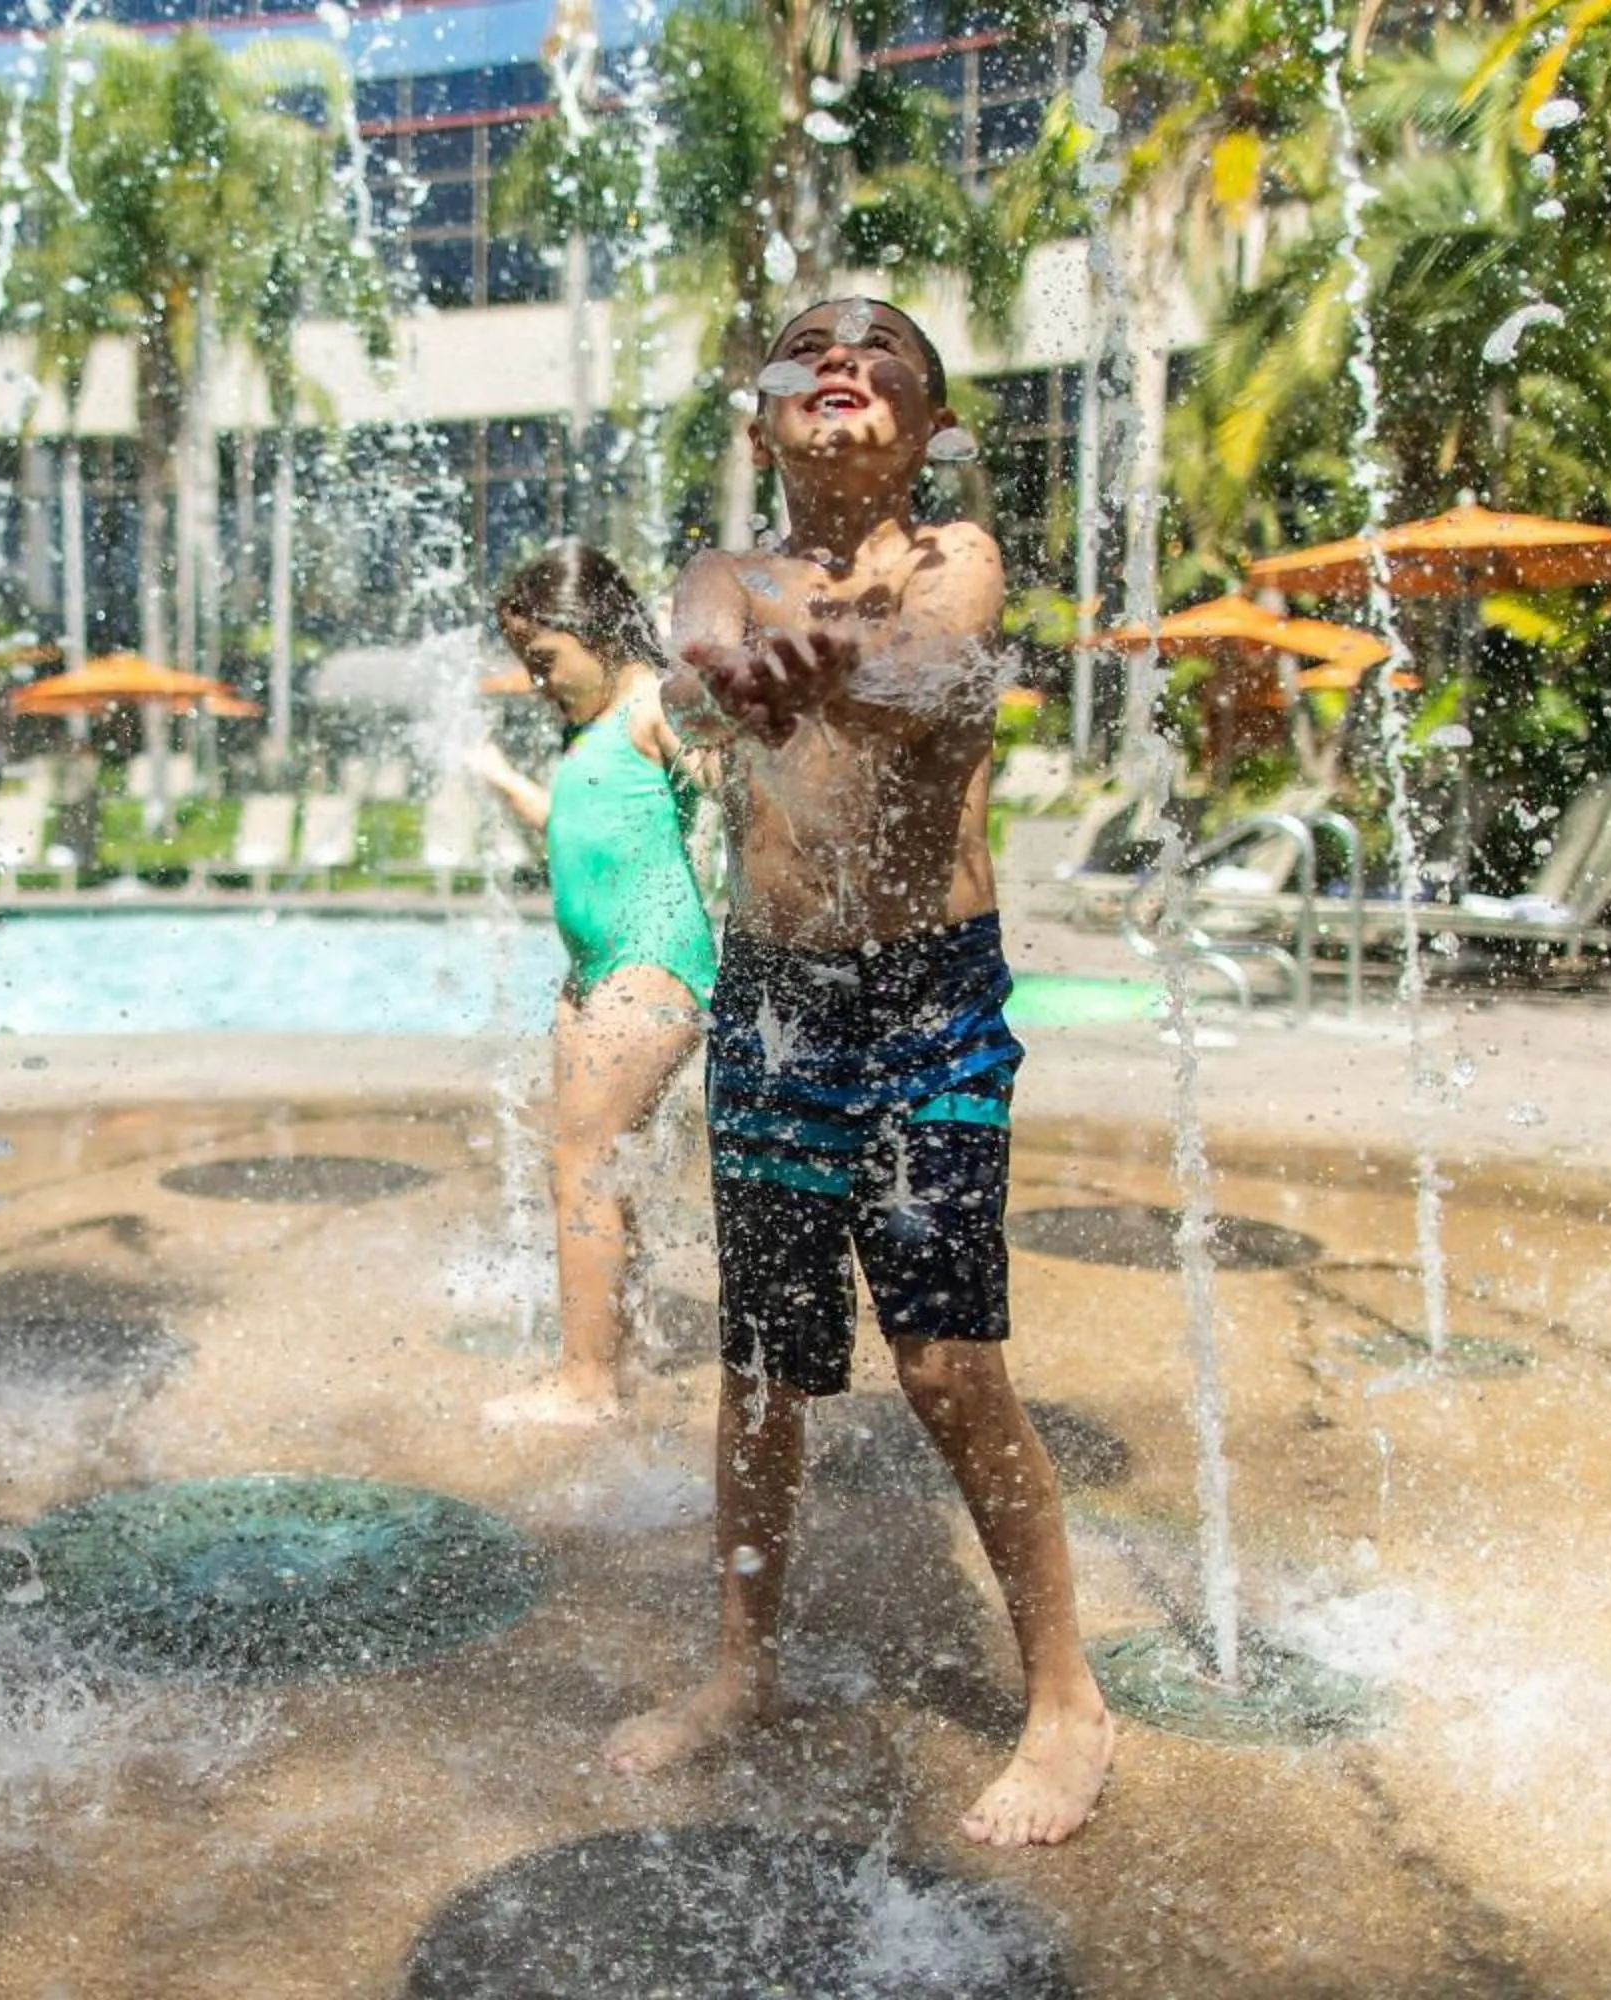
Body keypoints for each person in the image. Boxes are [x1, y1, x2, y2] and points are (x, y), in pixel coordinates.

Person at [606, 298, 1114, 1848]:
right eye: (809, 349)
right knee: (762, 1365)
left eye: (883, 350)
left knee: (949, 1363)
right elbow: (698, 678)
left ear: (932, 421)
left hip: (925, 1003)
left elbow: (926, 683)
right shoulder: (722, 570)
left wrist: (823, 654)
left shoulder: (957, 555)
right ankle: (742, 1668)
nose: (842, 358)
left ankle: (1067, 1700)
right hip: (771, 1002)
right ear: (760, 425)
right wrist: (776, 651)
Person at [466, 542, 715, 1427]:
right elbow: (571, 826)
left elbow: (729, 782)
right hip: (595, 975)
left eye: (544, 662)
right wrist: (500, 780)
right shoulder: (594, 733)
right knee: (603, 1169)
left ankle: (584, 1384)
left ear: (594, 628)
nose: (538, 683)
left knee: (583, 1167)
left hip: (651, 962)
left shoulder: (656, 704)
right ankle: (624, 1355)